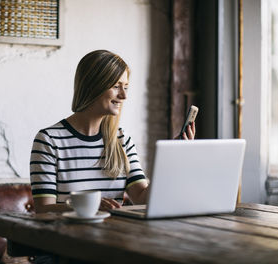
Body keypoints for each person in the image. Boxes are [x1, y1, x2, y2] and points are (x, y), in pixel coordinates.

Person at [30, 50, 196, 214]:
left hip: (114, 236)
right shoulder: (48, 140)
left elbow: (142, 199)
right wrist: (89, 205)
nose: (123, 95)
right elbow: (43, 209)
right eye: (116, 86)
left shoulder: (122, 140)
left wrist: (172, 157)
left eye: (126, 87)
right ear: (93, 86)